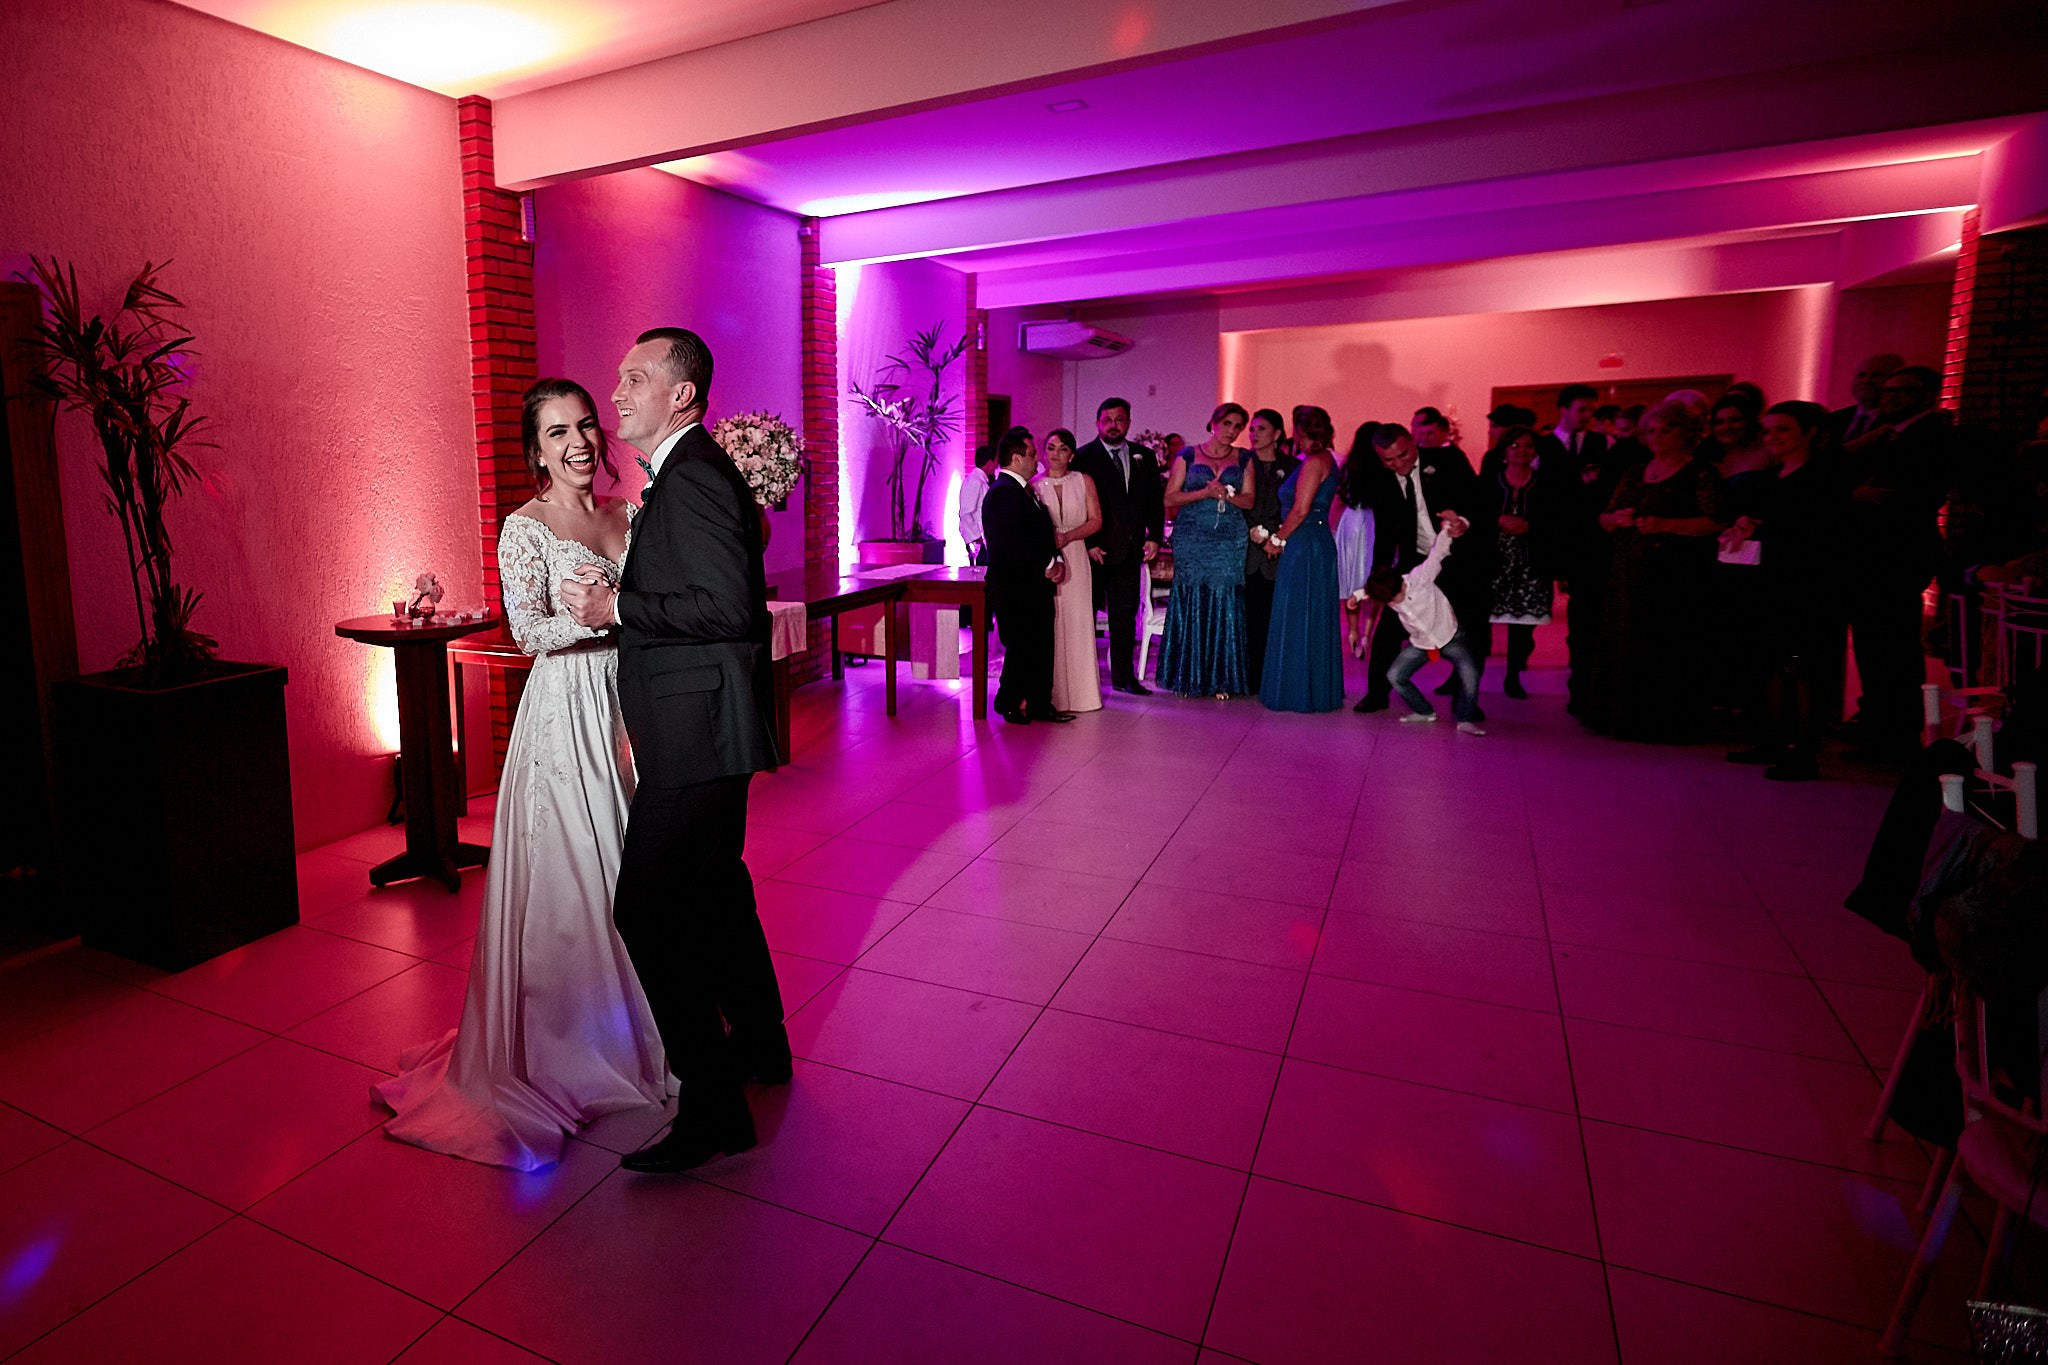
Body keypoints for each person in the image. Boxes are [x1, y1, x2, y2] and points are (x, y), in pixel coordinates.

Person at [374, 379, 665, 1171]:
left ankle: (657, 1018)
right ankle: (569, 1037)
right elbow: (529, 630)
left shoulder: (626, 513)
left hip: (628, 703)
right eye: (559, 432)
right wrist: (594, 609)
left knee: (643, 858)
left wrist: (622, 606)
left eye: (586, 426)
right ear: (535, 449)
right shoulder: (524, 527)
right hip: (566, 709)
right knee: (578, 872)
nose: (579, 442)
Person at [557, 327, 785, 1175]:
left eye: (634, 377)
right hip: (704, 727)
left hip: (696, 735)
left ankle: (714, 1104)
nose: (615, 392)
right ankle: (764, 1047)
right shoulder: (689, 474)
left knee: (645, 908)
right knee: (719, 892)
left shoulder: (691, 479)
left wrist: (618, 605)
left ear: (681, 395)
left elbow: (727, 607)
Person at [1589, 399, 1728, 742]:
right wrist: (1616, 520)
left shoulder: (1701, 472)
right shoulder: (1636, 471)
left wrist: (1665, 524)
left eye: (1668, 429)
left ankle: (1665, 722)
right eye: (1651, 430)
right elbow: (1605, 516)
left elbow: (1714, 521)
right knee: (1626, 637)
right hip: (1630, 567)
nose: (1658, 436)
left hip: (1677, 572)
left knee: (1668, 641)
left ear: (1688, 432)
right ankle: (1620, 717)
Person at [1724, 401, 1847, 780]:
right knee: (1775, 665)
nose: (1772, 437)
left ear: (1810, 433)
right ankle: (1775, 741)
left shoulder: (1824, 477)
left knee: (1805, 668)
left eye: (1783, 430)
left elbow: (1819, 534)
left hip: (1810, 585)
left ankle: (1805, 751)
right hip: (1773, 581)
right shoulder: (1774, 476)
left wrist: (1761, 529)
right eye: (1768, 430)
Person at [1841, 364, 1951, 759]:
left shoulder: (1930, 434)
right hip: (1877, 554)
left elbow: (1914, 493)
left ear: (1926, 395)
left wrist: (1856, 495)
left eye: (1902, 391)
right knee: (1877, 647)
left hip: (1895, 554)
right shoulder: (1893, 433)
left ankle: (1894, 735)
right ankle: (1880, 726)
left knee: (1892, 648)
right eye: (1888, 391)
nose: (1890, 398)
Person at [1356, 424, 1481, 716]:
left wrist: (1462, 521)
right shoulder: (1381, 479)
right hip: (1414, 560)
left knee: (1467, 630)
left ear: (1413, 443)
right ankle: (1377, 693)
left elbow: (1478, 500)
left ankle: (1467, 701)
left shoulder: (1449, 461)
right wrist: (1380, 576)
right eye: (1389, 460)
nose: (1398, 464)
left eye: (1403, 455)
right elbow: (1385, 533)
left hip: (1457, 557)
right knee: (1388, 629)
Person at [1159, 403, 1254, 698]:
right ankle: (1188, 675)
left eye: (1238, 426)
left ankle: (1221, 678)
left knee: (1225, 600)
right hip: (1192, 536)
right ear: (1213, 423)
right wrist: (1205, 493)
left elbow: (1250, 500)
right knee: (1192, 597)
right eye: (1227, 423)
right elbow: (1169, 497)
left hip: (1229, 538)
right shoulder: (1188, 455)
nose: (1232, 431)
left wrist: (1228, 494)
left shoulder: (1245, 458)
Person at [1071, 398, 1165, 696]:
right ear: (1097, 422)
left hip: (1129, 550)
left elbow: (1154, 501)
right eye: (1107, 419)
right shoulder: (1083, 457)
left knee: (1124, 617)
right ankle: (1083, 679)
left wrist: (1154, 537)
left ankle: (1124, 678)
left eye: (1119, 419)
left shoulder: (1144, 457)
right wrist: (1089, 543)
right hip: (1095, 552)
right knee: (1085, 615)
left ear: (1129, 421)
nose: (1113, 424)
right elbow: (1077, 508)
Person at [1364, 511, 1484, 734]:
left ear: (1400, 583)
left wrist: (1450, 525)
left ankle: (1466, 718)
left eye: (1398, 596)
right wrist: (1355, 596)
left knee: (1470, 673)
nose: (1397, 602)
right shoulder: (1387, 593)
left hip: (1450, 635)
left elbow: (1437, 553)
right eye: (1392, 602)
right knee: (1395, 676)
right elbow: (1369, 590)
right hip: (1421, 642)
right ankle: (1424, 711)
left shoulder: (1420, 577)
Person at [983, 425, 1070, 724]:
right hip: (1016, 587)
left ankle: (1039, 704)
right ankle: (1008, 701)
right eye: (1033, 454)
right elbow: (1011, 544)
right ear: (1017, 458)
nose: (1039, 460)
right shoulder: (1003, 493)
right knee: (1022, 647)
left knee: (1040, 646)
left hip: (1034, 585)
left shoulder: (1023, 490)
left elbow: (1041, 533)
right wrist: (1048, 565)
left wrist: (1056, 559)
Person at [1261, 405, 1345, 712]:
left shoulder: (1314, 462)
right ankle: (1312, 687)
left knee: (1299, 612)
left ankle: (1296, 690)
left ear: (1300, 430)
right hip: (1314, 541)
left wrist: (1277, 539)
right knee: (1308, 612)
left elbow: (1300, 509)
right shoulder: (1324, 460)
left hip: (1304, 543)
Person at [1707, 391, 1774, 722]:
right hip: (1712, 549)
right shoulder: (1711, 457)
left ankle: (1750, 708)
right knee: (1717, 627)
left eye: (1734, 419)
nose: (1727, 426)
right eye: (1719, 421)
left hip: (1754, 550)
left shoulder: (1767, 454)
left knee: (1747, 626)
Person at [1487, 427, 1560, 700]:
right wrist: (1499, 521)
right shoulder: (1490, 481)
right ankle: (1466, 677)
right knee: (1483, 619)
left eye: (1528, 446)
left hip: (1531, 560)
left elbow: (1557, 519)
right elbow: (1477, 512)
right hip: (1495, 560)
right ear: (1505, 450)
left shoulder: (1547, 483)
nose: (1521, 452)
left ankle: (1513, 674)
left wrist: (1530, 526)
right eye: (1515, 446)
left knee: (1523, 625)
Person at [1036, 428, 1103, 713]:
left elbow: (1096, 520)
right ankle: (1052, 695)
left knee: (1077, 620)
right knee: (1051, 622)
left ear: (1072, 454)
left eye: (1062, 449)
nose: (1056, 454)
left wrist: (1069, 536)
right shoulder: (1035, 485)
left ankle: (1083, 694)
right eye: (1051, 447)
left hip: (1075, 553)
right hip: (1047, 559)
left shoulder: (1083, 481)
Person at [1241, 408, 1298, 691]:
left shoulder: (1292, 467)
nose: (1254, 435)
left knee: (1275, 615)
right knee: (1248, 615)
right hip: (1246, 550)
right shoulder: (1242, 462)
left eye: (1261, 429)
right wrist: (1256, 533)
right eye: (1252, 429)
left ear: (1277, 434)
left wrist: (1275, 537)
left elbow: (1297, 507)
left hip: (1280, 548)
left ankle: (1273, 675)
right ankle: (1248, 677)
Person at [1334, 421, 1383, 659]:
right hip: (1374, 521)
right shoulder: (1383, 467)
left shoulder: (1349, 465)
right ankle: (1366, 633)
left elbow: (1341, 496)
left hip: (1351, 521)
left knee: (1352, 577)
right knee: (1372, 578)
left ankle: (1353, 632)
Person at [1830, 353, 1905, 446]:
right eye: (1861, 375)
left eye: (1876, 375)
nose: (1866, 380)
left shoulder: (1900, 422)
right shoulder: (1833, 419)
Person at [958, 443, 997, 565]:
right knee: (979, 571)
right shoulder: (975, 482)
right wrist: (976, 539)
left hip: (983, 539)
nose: (997, 465)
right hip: (978, 541)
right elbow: (965, 513)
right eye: (996, 461)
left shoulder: (980, 480)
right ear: (989, 462)